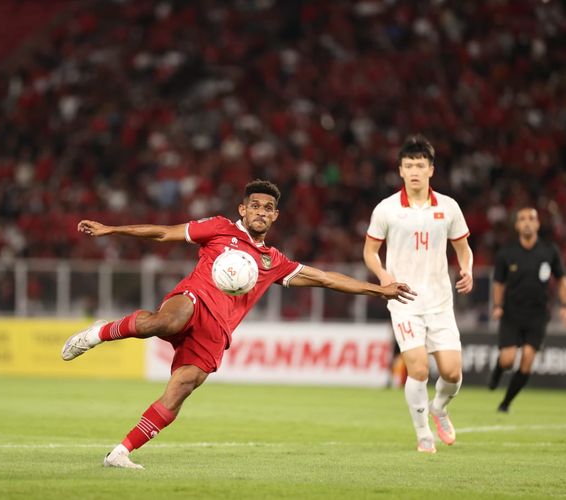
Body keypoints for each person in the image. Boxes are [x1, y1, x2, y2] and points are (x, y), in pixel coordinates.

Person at [62, 179, 416, 469]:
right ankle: (99, 332)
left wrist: (378, 289)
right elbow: (163, 234)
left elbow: (325, 279)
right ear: (242, 209)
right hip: (193, 299)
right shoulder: (218, 229)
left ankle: (120, 452)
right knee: (168, 321)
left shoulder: (272, 260)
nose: (261, 212)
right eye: (255, 206)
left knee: (181, 388)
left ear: (275, 216)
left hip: (217, 331)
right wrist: (112, 230)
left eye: (268, 208)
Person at [363, 134, 473, 454]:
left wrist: (466, 269)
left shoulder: (449, 207)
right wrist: (384, 276)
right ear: (400, 170)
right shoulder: (386, 209)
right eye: (408, 165)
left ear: (431, 170)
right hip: (404, 301)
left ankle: (439, 408)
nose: (414, 170)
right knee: (418, 368)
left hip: (439, 302)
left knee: (452, 374)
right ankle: (424, 434)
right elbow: (370, 252)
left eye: (420, 165)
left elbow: (464, 250)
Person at [488, 207, 566, 412]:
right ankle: (498, 371)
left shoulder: (550, 251)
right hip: (512, 313)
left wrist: (564, 306)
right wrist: (497, 306)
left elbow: (561, 279)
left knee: (527, 362)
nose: (527, 222)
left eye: (532, 218)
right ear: (517, 225)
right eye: (523, 219)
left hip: (538, 315)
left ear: (538, 224)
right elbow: (498, 282)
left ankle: (505, 403)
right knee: (507, 360)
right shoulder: (507, 253)